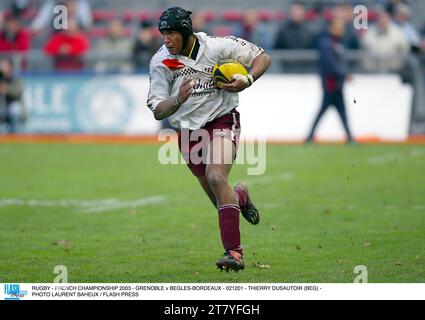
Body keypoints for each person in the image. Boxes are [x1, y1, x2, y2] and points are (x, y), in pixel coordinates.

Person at [147, 7, 271, 272]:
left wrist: (247, 79)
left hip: (222, 119)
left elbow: (263, 57)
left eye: (171, 34)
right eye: (163, 34)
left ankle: (234, 254)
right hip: (187, 133)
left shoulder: (216, 46)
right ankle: (240, 197)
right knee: (220, 199)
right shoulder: (161, 62)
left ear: (185, 32)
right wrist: (177, 99)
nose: (166, 39)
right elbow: (158, 110)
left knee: (216, 177)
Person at [306, 18, 354, 144]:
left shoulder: (337, 43)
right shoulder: (327, 43)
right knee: (334, 110)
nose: (341, 30)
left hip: (337, 83)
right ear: (331, 28)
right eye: (338, 27)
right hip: (331, 83)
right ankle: (349, 138)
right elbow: (330, 65)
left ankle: (349, 137)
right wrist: (344, 74)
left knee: (336, 111)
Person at [0, 58, 26, 133]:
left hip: (12, 107)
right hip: (2, 107)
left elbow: (18, 92)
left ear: (10, 67)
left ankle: (14, 133)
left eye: (4, 66)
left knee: (15, 108)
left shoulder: (16, 78)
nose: (2, 67)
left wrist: (7, 89)